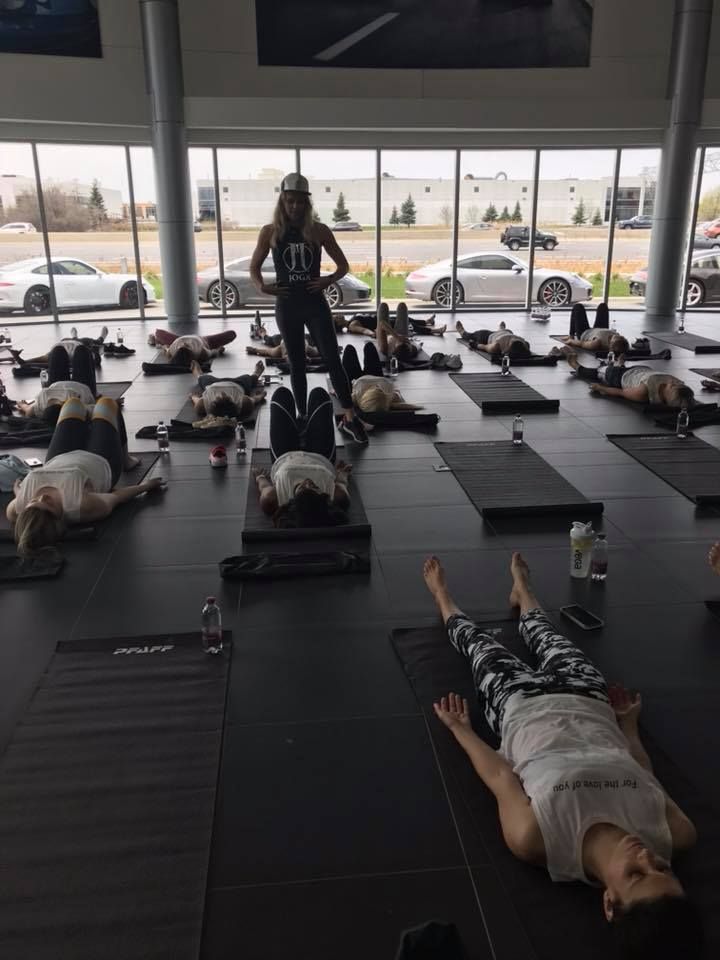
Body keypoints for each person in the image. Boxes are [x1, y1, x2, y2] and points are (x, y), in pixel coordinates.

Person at [422, 552, 703, 956]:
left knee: (477, 645)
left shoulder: (539, 840)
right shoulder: (676, 833)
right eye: (663, 868)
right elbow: (643, 772)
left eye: (637, 874)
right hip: (588, 699)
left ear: (610, 902)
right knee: (548, 634)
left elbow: (502, 779)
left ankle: (442, 597)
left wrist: (460, 730)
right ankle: (524, 591)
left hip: (517, 706)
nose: (647, 856)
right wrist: (627, 724)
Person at [249, 172, 368, 445]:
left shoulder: (319, 230)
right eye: (290, 201)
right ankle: (303, 416)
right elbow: (254, 267)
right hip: (287, 305)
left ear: (307, 203)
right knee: (297, 364)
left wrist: (327, 280)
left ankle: (349, 418)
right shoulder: (270, 232)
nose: (295, 207)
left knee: (332, 359)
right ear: (282, 201)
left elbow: (343, 266)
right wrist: (262, 287)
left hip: (315, 304)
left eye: (300, 202)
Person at [7, 396, 166, 556]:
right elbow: (116, 497)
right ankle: (126, 460)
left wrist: (20, 494)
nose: (43, 497)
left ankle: (88, 414)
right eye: (48, 504)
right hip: (100, 460)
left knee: (72, 403)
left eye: (34, 501)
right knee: (106, 403)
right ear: (59, 519)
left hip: (60, 457)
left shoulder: (17, 508)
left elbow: (20, 501)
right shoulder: (81, 506)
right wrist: (146, 486)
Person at [253, 385, 352, 528]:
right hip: (320, 456)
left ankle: (301, 422)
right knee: (319, 394)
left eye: (302, 487)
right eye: (314, 487)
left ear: (292, 501)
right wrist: (342, 474)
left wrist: (259, 477)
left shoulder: (272, 500)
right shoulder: (338, 497)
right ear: (322, 497)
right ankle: (304, 418)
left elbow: (264, 487)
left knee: (281, 394)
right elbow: (342, 482)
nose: (307, 482)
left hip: (284, 455)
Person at [566, 354, 695, 407]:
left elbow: (621, 393)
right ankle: (619, 363)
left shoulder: (643, 392)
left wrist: (601, 388)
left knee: (598, 372)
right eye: (676, 384)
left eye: (672, 387)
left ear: (667, 397)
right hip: (639, 370)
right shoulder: (679, 385)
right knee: (615, 367)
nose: (673, 382)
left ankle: (576, 366)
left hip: (618, 377)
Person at [14, 341, 98, 422]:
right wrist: (20, 403)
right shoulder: (81, 409)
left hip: (63, 386)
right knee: (80, 351)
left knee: (60, 350)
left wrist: (20, 404)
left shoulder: (42, 403)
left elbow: (28, 410)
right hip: (79, 387)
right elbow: (26, 408)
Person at [341, 341, 423, 414]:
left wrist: (337, 390)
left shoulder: (356, 397)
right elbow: (397, 394)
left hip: (355, 379)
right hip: (375, 375)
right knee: (369, 346)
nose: (378, 387)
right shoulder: (390, 394)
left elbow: (342, 396)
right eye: (379, 390)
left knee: (349, 349)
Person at [8, 326, 108, 376]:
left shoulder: (82, 349)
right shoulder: (83, 352)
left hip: (59, 347)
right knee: (48, 365)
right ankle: (23, 364)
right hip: (63, 349)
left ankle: (22, 362)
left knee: (45, 362)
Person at [188, 359, 267, 420]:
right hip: (237, 384)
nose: (222, 393)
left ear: (213, 404)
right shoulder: (243, 403)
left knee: (202, 378)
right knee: (250, 379)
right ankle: (256, 373)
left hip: (212, 384)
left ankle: (197, 373)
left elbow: (197, 400)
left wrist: (193, 396)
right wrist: (261, 395)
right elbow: (254, 399)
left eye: (220, 397)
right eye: (226, 397)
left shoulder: (203, 405)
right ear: (232, 403)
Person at [557, 302, 629, 355]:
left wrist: (571, 341)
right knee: (603, 306)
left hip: (585, 332)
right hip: (600, 328)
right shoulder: (620, 340)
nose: (619, 336)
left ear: (611, 343)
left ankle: (571, 334)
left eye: (617, 338)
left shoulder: (597, 343)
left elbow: (582, 344)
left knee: (578, 307)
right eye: (621, 337)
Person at [148, 328, 237, 368]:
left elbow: (166, 349)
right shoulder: (201, 352)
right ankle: (156, 339)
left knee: (158, 332)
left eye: (182, 346)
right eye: (186, 346)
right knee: (231, 334)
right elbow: (213, 352)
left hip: (176, 339)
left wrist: (162, 345)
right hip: (205, 340)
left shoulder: (172, 351)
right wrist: (219, 350)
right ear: (191, 353)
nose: (184, 344)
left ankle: (155, 338)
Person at [456, 320, 532, 359]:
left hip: (489, 336)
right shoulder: (525, 344)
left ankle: (462, 331)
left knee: (472, 335)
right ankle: (501, 329)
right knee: (509, 331)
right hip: (505, 333)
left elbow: (485, 347)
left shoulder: (496, 346)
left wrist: (475, 345)